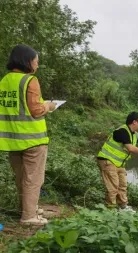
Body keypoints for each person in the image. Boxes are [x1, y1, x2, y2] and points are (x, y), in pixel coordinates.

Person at [0, 44, 57, 225]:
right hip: (32, 139)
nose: (37, 65)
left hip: (11, 140)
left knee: (21, 177)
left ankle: (27, 208)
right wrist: (48, 106)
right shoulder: (29, 80)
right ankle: (29, 217)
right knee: (33, 178)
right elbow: (36, 110)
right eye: (36, 61)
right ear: (27, 61)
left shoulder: (4, 81)